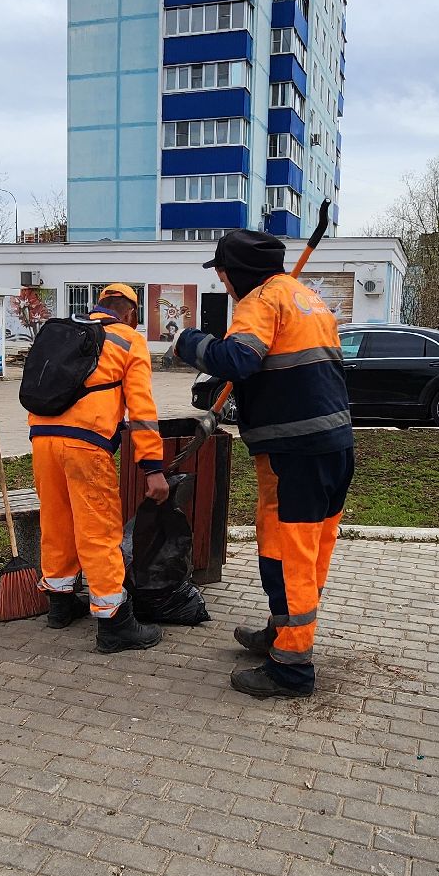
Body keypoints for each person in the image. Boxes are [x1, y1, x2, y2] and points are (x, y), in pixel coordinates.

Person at [175, 230, 355, 700]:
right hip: (332, 446)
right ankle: (282, 634)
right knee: (305, 551)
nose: (221, 280)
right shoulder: (306, 299)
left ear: (234, 272)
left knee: (290, 554)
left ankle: (291, 668)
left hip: (294, 452)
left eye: (221, 271)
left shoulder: (259, 301)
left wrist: (188, 343)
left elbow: (240, 358)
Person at [28, 283, 170, 654]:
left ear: (99, 306)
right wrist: (152, 466)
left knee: (56, 521)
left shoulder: (69, 332)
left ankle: (59, 605)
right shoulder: (128, 340)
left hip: (42, 438)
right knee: (99, 530)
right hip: (85, 446)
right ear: (132, 314)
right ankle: (114, 623)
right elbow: (141, 410)